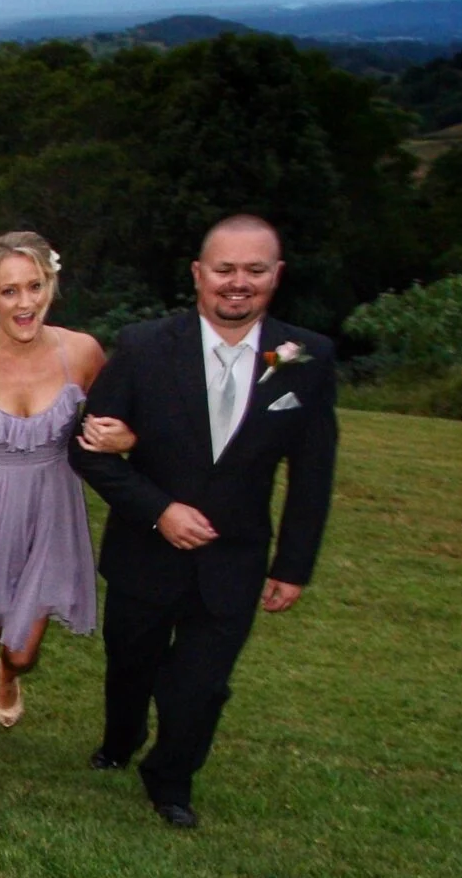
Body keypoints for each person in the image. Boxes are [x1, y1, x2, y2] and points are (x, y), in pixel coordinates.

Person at [68, 214, 339, 829]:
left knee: (201, 685)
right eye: (224, 269)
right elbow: (83, 448)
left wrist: (293, 566)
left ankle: (171, 779)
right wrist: (159, 510)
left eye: (254, 270)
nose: (237, 283)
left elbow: (313, 473)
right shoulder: (142, 346)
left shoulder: (306, 358)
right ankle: (120, 737)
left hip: (234, 558)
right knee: (131, 664)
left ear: (277, 276)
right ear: (198, 274)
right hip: (145, 553)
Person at [0, 232, 105, 762]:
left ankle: (12, 677)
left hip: (52, 508)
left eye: (35, 286)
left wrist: (124, 436)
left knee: (22, 649)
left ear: (51, 284)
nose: (25, 303)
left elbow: (123, 416)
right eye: (9, 291)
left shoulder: (81, 352)